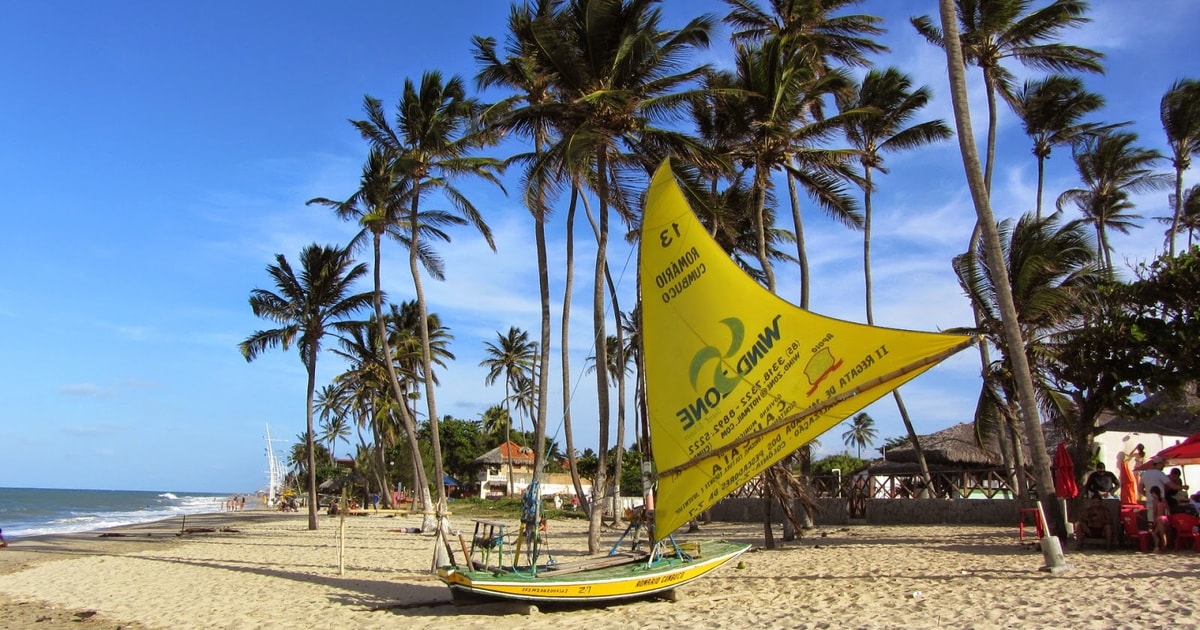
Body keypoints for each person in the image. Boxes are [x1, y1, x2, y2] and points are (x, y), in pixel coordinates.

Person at [1149, 486, 1170, 553]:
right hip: (1165, 518)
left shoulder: (1155, 501)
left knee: (1159, 534)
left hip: (1159, 518)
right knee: (1158, 533)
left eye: (1152, 493)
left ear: (1154, 493)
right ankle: (1160, 547)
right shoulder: (1163, 500)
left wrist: (1154, 521)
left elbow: (1155, 512)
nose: (1152, 495)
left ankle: (1160, 548)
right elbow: (1168, 510)